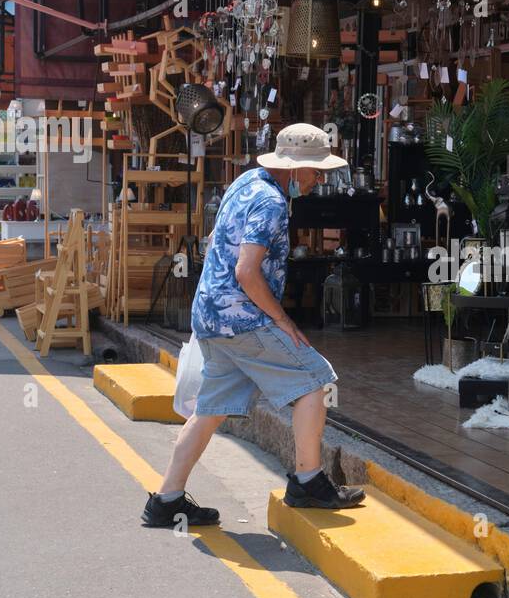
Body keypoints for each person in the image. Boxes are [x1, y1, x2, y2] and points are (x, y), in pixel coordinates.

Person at [141, 122, 365, 528]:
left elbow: (218, 245)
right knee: (315, 381)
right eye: (316, 172)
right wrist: (282, 319)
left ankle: (165, 499)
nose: (318, 181)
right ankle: (308, 481)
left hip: (212, 315)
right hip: (243, 319)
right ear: (294, 168)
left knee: (209, 410)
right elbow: (247, 271)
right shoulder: (272, 202)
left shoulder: (246, 182)